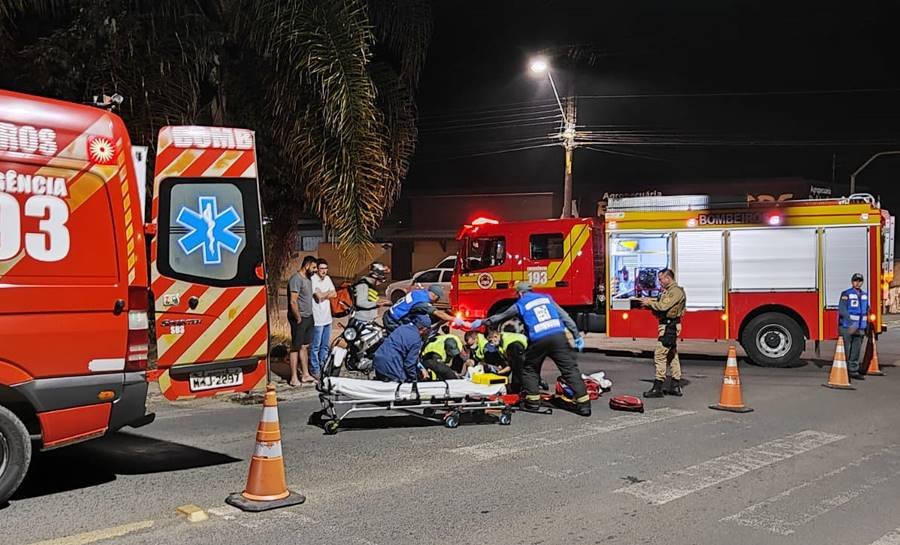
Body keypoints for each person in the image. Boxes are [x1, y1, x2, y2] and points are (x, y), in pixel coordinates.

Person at [472, 282, 591, 416]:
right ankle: (584, 405)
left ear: (520, 293)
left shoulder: (521, 303)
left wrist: (481, 322)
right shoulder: (547, 298)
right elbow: (565, 318)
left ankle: (533, 402)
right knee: (570, 369)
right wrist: (576, 336)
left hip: (539, 339)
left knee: (530, 369)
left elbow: (499, 318)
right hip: (558, 337)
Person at [639, 268, 687, 397]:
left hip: (669, 327)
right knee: (672, 355)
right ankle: (675, 385)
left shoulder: (675, 292)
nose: (659, 282)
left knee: (660, 355)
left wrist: (649, 302)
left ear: (668, 278)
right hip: (669, 325)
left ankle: (658, 387)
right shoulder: (670, 291)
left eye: (660, 279)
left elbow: (663, 306)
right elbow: (662, 305)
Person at [373, 314, 432, 383]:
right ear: (424, 329)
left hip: (378, 360)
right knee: (402, 387)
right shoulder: (416, 340)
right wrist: (414, 380)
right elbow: (409, 364)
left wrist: (421, 368)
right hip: (391, 365)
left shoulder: (403, 327)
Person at [288, 256, 317, 386]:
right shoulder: (296, 279)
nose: (315, 270)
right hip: (299, 318)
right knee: (295, 347)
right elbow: (293, 301)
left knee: (304, 346)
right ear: (307, 265)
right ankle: (294, 377)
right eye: (314, 267)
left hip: (309, 317)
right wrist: (298, 317)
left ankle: (305, 374)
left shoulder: (308, 279)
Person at [382, 285, 460, 332]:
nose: (437, 301)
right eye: (438, 298)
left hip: (390, 314)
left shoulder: (419, 293)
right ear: (434, 296)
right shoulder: (423, 302)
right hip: (393, 321)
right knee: (401, 342)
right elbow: (438, 313)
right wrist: (455, 319)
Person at [839, 272, 869, 380]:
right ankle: (844, 370)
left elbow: (866, 310)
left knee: (856, 350)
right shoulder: (846, 294)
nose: (858, 283)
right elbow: (842, 310)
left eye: (860, 281)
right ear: (852, 282)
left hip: (860, 327)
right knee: (847, 349)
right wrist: (851, 323)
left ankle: (853, 371)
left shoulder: (865, 295)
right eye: (855, 280)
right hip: (848, 327)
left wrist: (867, 326)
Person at [310, 258, 336, 379]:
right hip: (317, 318)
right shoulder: (313, 279)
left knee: (325, 346)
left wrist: (323, 294)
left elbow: (334, 294)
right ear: (317, 269)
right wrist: (327, 293)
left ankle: (323, 366)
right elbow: (318, 296)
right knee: (316, 346)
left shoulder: (328, 279)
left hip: (327, 318)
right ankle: (315, 369)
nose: (324, 271)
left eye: (325, 269)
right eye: (321, 269)